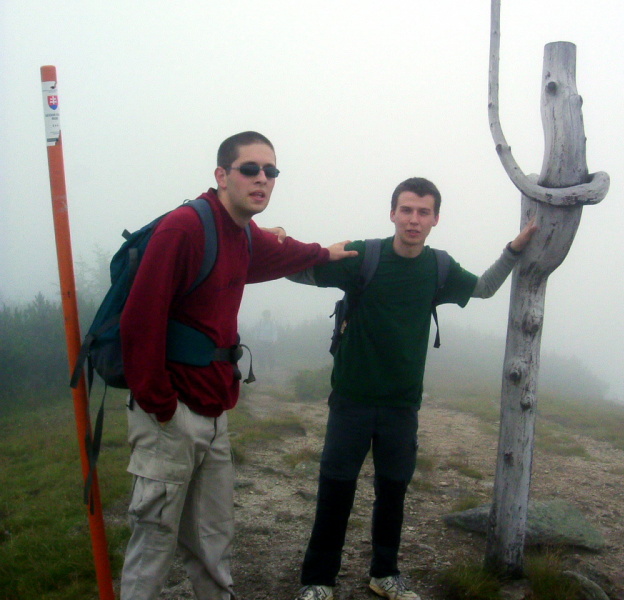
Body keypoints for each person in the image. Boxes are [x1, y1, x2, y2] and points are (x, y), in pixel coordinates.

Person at [118, 131, 356, 600]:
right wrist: (162, 407)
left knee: (214, 537)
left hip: (215, 410)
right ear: (222, 175)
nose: (262, 178)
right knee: (155, 540)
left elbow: (283, 254)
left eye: (271, 171)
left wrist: (325, 253)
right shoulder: (185, 229)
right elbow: (138, 323)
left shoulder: (244, 233)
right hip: (170, 414)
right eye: (250, 169)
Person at [287, 177, 538, 600]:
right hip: (351, 399)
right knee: (336, 489)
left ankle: (384, 574)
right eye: (406, 210)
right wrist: (293, 247)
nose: (413, 219)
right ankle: (318, 580)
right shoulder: (364, 256)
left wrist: (513, 250)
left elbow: (484, 288)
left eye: (423, 212)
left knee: (393, 492)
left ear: (435, 219)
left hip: (402, 405)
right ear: (392, 213)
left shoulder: (438, 267)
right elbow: (300, 274)